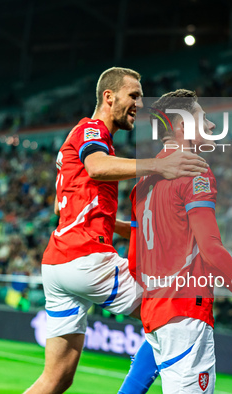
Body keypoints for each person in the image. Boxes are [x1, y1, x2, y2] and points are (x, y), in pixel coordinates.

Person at [25, 67, 209, 394]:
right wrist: (159, 165)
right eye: (134, 95)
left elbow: (60, 206)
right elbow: (96, 166)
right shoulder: (91, 130)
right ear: (109, 98)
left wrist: (131, 230)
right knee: (173, 307)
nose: (140, 102)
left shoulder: (80, 142)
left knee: (56, 379)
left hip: (58, 265)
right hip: (86, 259)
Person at [133, 90, 232, 393]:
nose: (213, 125)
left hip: (155, 313)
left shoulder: (143, 182)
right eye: (204, 117)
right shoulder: (193, 169)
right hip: (186, 312)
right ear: (181, 125)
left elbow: (136, 258)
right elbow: (211, 249)